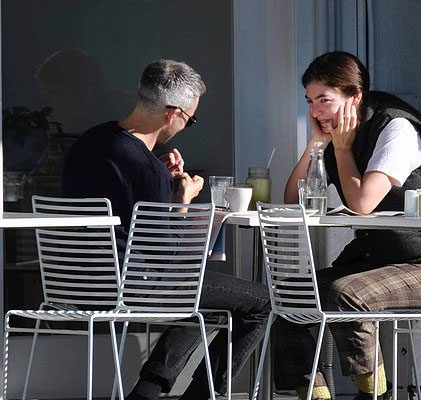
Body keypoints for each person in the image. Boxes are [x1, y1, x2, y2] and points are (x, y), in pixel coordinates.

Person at [61, 59, 271, 400]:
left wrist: (160, 187)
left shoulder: (91, 141)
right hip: (129, 286)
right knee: (262, 302)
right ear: (173, 114)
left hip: (74, 282)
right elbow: (174, 260)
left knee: (204, 294)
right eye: (190, 120)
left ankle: (147, 392)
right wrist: (182, 199)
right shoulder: (148, 169)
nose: (186, 127)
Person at [276, 51, 421, 400]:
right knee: (290, 294)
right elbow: (292, 200)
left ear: (354, 96)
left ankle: (374, 394)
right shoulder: (336, 137)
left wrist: (342, 150)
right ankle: (314, 395)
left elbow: (362, 204)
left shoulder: (397, 128)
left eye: (324, 100)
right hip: (377, 259)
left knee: (345, 295)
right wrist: (317, 146)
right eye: (310, 101)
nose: (315, 111)